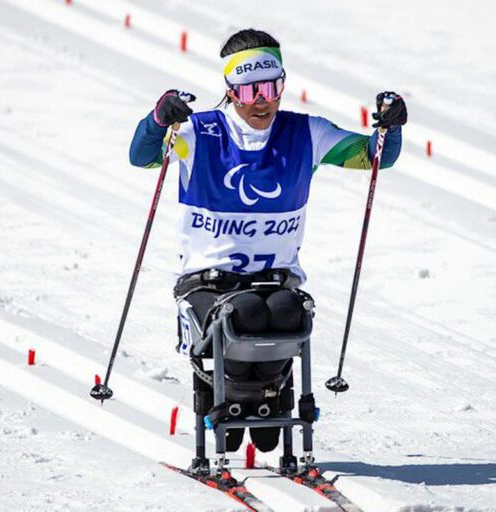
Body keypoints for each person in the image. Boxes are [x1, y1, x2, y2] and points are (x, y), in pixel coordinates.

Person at [128, 28, 406, 455]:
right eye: (250, 90)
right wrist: (159, 119)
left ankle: (266, 404)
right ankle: (235, 405)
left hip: (276, 282)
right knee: (244, 315)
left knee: (283, 311)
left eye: (272, 87)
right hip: (208, 284)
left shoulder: (306, 133)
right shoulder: (201, 133)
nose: (263, 100)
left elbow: (375, 156)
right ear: (230, 91)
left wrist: (391, 126)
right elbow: (142, 156)